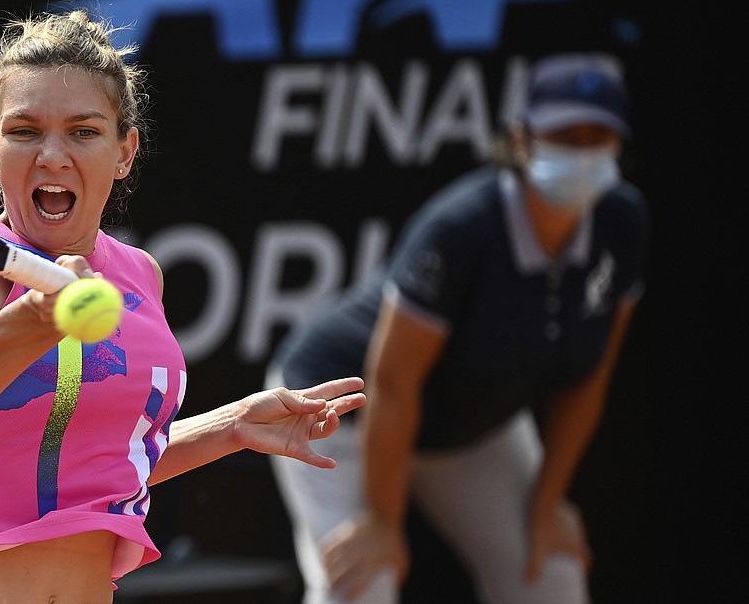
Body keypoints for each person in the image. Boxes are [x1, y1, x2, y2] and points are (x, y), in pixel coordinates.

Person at [0, 8, 366, 604]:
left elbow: (114, 462)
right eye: (24, 130)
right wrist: (39, 317)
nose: (53, 156)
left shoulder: (141, 276)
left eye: (84, 131)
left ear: (124, 152)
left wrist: (233, 426)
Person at [266, 53, 650, 604]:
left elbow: (587, 381)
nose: (582, 151)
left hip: (473, 428)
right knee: (363, 585)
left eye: (598, 136)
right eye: (565, 134)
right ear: (521, 139)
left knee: (553, 574)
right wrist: (381, 519)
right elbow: (393, 384)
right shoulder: (461, 229)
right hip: (345, 408)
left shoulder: (623, 223)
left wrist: (549, 504)